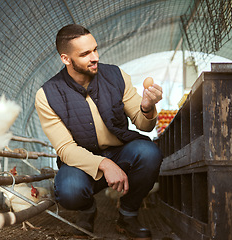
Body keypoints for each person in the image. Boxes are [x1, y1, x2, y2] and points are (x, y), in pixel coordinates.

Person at [35, 24, 163, 239]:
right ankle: (87, 209)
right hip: (80, 161)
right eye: (85, 54)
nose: (94, 57)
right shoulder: (47, 95)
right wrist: (104, 164)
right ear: (66, 59)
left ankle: (128, 215)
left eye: (95, 49)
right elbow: (65, 148)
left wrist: (148, 107)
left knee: (149, 153)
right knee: (69, 192)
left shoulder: (116, 76)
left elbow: (144, 125)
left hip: (120, 152)